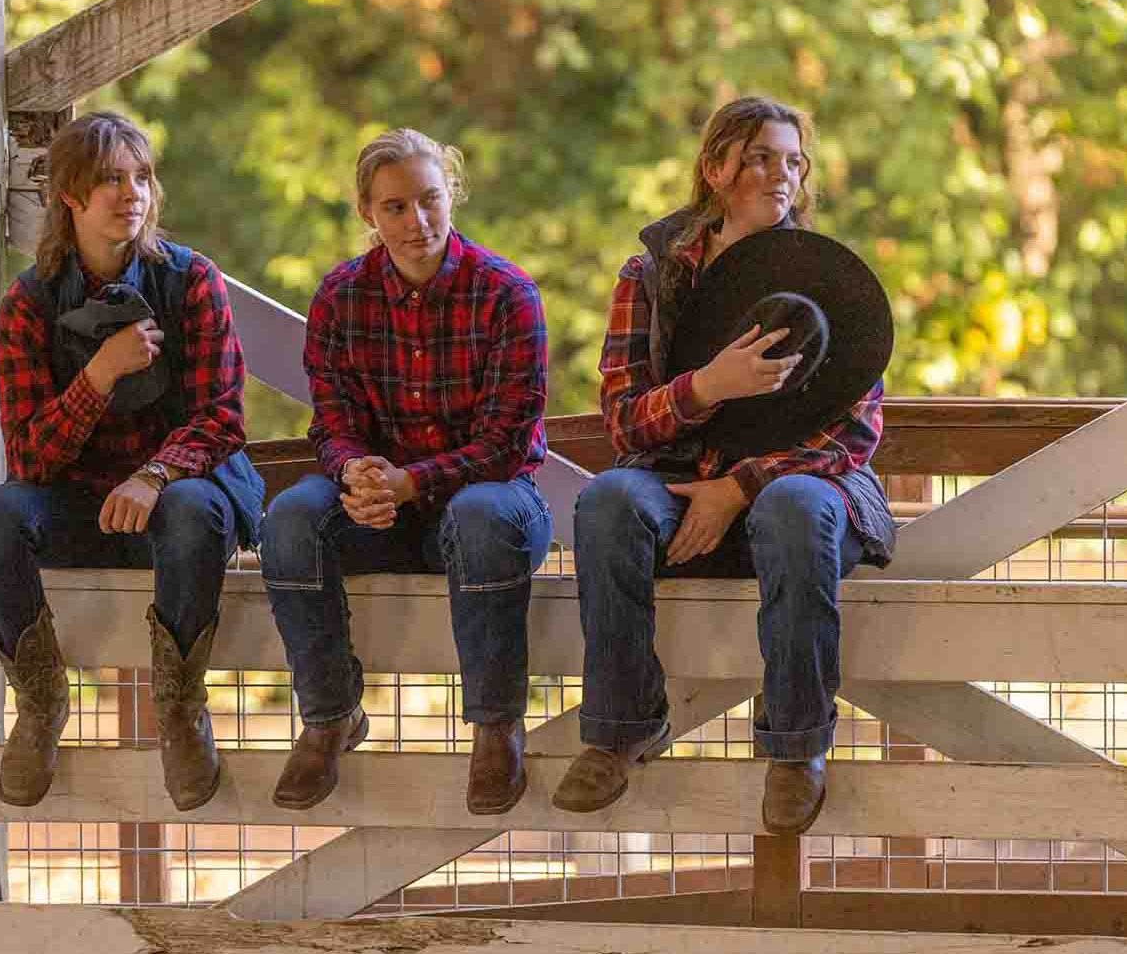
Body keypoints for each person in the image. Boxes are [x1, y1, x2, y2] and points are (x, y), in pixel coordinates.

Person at [551, 96, 895, 834]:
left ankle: (797, 748)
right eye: (763, 157)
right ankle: (619, 728)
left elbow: (854, 435)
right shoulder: (649, 275)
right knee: (608, 501)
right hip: (676, 475)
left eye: (794, 161)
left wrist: (739, 486)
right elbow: (620, 420)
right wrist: (707, 386)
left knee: (797, 509)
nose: (783, 175)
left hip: (793, 489)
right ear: (716, 168)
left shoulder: (831, 278)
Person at [0, 111, 263, 811]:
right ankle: (39, 704)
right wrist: (99, 374)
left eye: (141, 177)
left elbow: (222, 417)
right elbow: (32, 456)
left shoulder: (192, 282)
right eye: (110, 180)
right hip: (80, 504)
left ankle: (182, 712)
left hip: (178, 500)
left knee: (194, 511)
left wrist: (154, 474)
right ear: (69, 197)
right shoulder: (29, 304)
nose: (132, 193)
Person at [261, 128, 552, 815]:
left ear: (452, 194)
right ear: (368, 212)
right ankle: (331, 714)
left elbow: (507, 442)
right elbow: (331, 421)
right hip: (381, 508)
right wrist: (357, 470)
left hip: (491, 504)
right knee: (292, 516)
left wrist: (412, 480)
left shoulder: (507, 292)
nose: (416, 221)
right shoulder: (340, 295)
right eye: (395, 207)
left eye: (430, 200)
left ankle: (495, 726)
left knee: (481, 512)